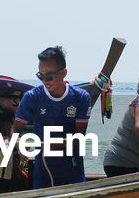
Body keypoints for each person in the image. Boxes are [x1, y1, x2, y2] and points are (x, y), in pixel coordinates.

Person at [14, 46, 92, 188]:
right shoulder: (32, 97)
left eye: (49, 76)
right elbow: (16, 129)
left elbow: (79, 137)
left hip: (73, 172)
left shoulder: (81, 97)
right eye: (40, 76)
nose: (45, 80)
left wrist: (44, 145)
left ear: (64, 73)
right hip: (43, 173)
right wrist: (18, 142)